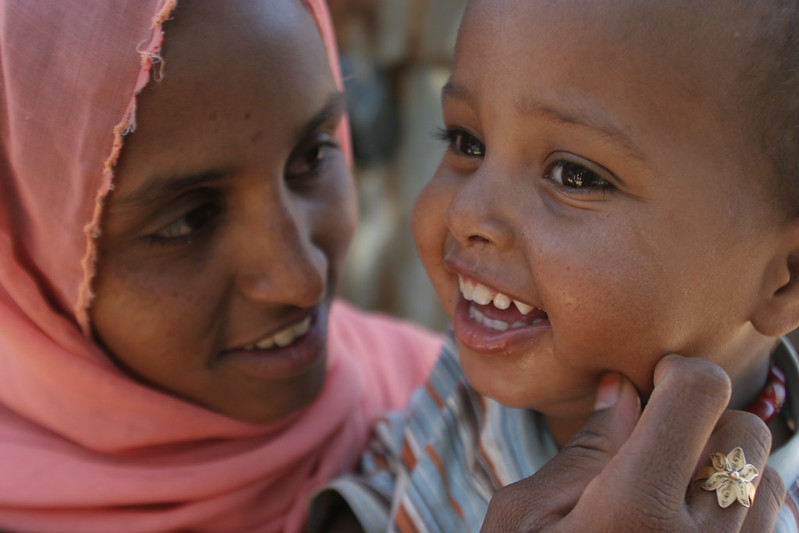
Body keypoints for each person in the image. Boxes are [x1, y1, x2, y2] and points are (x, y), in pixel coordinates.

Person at [308, 0, 799, 531]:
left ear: (786, 279)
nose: (465, 212)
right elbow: (394, 484)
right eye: (466, 142)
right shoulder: (468, 388)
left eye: (575, 177)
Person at [0, 0, 440, 531]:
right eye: (188, 221)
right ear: (29, 255)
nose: (301, 280)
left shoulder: (457, 408)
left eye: (312, 157)